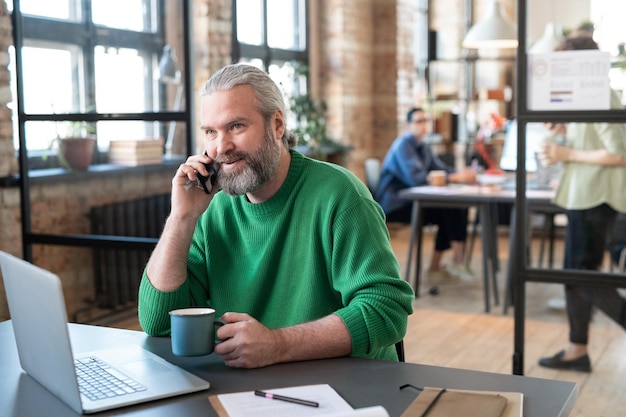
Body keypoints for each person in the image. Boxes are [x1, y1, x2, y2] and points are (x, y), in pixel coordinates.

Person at [138, 64, 414, 369]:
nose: (221, 147)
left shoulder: (340, 195)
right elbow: (159, 322)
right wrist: (182, 216)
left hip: (343, 386)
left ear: (277, 125)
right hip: (249, 386)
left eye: (237, 126)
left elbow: (386, 309)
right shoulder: (211, 209)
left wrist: (277, 344)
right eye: (210, 132)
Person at [537, 35, 626, 372]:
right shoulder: (586, 96)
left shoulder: (602, 95)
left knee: (583, 277)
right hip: (583, 196)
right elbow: (589, 140)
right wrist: (562, 132)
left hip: (596, 199)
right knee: (576, 277)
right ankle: (577, 349)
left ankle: (578, 348)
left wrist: (566, 152)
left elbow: (619, 153)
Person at [374, 107, 477, 281]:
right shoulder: (403, 145)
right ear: (408, 125)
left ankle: (438, 267)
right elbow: (417, 178)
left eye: (426, 121)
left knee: (454, 207)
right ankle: (456, 261)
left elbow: (440, 169)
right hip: (396, 204)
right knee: (448, 209)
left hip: (412, 202)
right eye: (418, 121)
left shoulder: (423, 146)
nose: (424, 125)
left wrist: (460, 173)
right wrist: (455, 177)